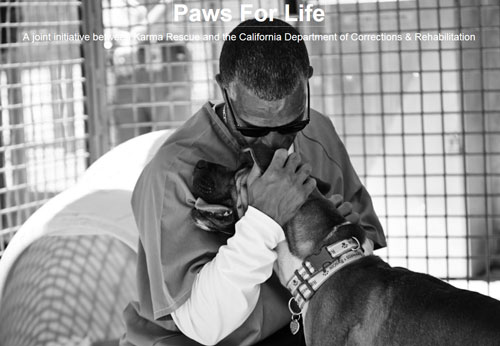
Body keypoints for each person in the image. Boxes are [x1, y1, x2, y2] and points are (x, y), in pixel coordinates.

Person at [121, 19, 386, 346]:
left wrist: (345, 240)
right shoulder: (171, 174)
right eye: (254, 129)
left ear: (308, 82)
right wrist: (263, 221)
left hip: (298, 327)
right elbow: (203, 327)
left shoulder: (318, 132)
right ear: (224, 89)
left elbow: (369, 261)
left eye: (291, 124)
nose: (275, 144)